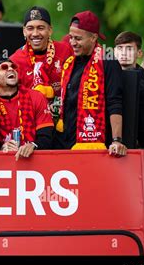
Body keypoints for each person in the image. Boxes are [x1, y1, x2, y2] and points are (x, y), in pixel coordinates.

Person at [54, 11, 126, 156]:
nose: (73, 43)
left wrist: (117, 140)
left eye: (78, 39)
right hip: (65, 145)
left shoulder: (108, 61)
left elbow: (115, 103)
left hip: (95, 146)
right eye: (71, 37)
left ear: (93, 37)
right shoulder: (69, 63)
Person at [0, 56, 54, 160]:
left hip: (35, 161)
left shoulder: (36, 97)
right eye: (4, 67)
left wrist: (33, 146)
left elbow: (47, 135)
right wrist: (1, 148)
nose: (10, 69)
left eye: (13, 66)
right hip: (0, 164)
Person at [10, 6, 72, 100]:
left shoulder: (66, 51)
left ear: (50, 30)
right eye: (30, 28)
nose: (35, 33)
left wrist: (52, 92)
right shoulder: (15, 60)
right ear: (24, 31)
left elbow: (76, 86)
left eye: (40, 28)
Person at [114, 31, 144, 148]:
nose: (124, 53)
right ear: (114, 52)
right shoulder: (105, 77)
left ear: (139, 53)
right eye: (120, 48)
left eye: (129, 49)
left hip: (132, 149)